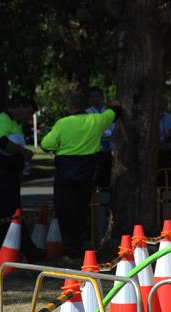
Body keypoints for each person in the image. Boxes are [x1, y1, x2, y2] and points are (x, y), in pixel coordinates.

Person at [40, 92, 117, 260]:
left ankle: (71, 249)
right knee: (82, 210)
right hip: (87, 176)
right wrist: (113, 105)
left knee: (65, 211)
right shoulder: (96, 120)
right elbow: (113, 113)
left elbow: (46, 145)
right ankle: (81, 244)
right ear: (86, 105)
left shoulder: (62, 123)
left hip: (65, 176)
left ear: (69, 107)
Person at [0, 95, 43, 261]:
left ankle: (8, 250)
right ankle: (25, 249)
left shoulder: (15, 124)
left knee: (11, 212)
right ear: (20, 107)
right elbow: (1, 142)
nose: (28, 118)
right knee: (12, 211)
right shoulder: (2, 120)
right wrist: (24, 152)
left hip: (9, 173)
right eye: (28, 113)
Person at [86, 86, 115, 189]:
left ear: (102, 98)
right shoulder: (87, 114)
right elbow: (93, 132)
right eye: (92, 97)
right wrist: (108, 133)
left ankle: (104, 204)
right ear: (89, 100)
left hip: (108, 153)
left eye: (97, 96)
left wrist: (104, 132)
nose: (95, 99)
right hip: (93, 153)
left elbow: (115, 130)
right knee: (93, 181)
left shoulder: (109, 113)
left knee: (106, 183)